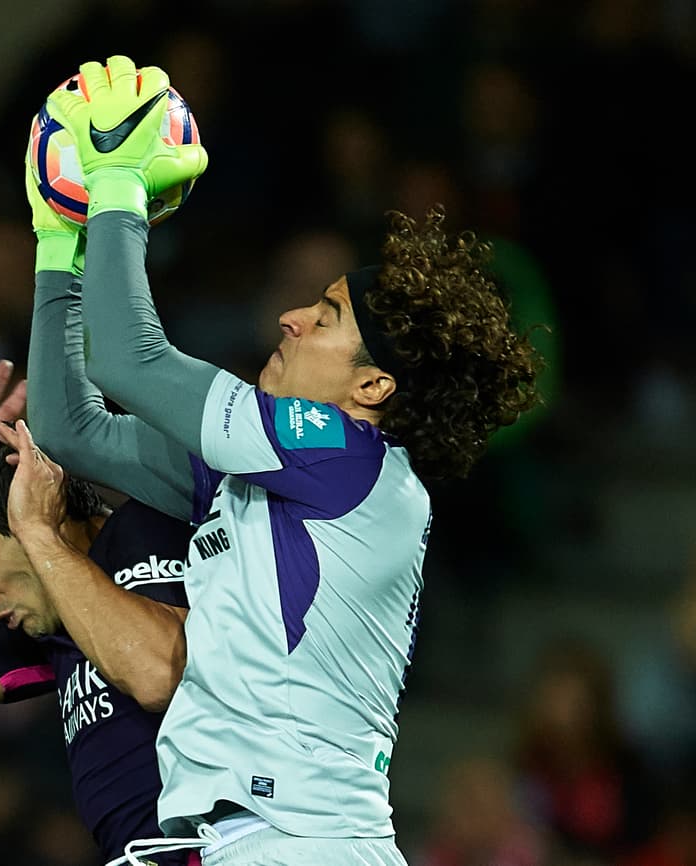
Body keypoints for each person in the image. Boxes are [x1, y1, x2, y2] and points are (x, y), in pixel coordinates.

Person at [27, 56, 543, 865]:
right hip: (252, 843)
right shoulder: (276, 475)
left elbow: (128, 359)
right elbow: (71, 430)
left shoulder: (346, 458)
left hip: (300, 845)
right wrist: (59, 244)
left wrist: (118, 182)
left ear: (372, 384)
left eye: (327, 315)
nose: (291, 316)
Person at [0, 356, 198, 864]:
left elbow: (158, 673)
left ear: (24, 504)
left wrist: (36, 532)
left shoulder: (151, 530)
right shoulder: (51, 621)